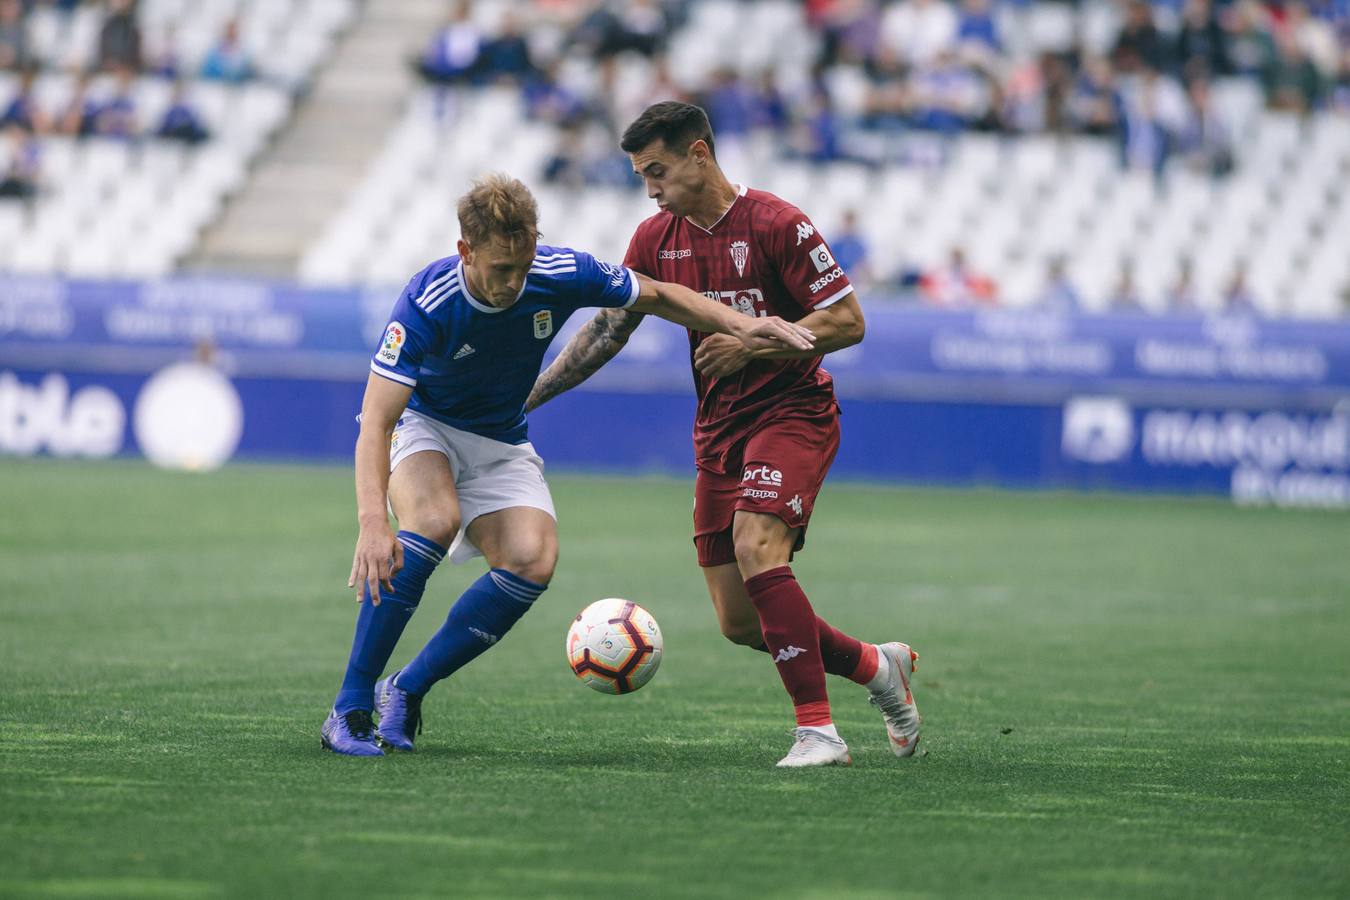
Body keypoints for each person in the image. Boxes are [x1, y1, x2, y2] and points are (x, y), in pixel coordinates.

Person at [321, 173, 816, 756]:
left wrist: (740, 324)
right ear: (465, 251)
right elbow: (376, 421)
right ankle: (349, 711)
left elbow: (656, 294)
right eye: (500, 268)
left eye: (523, 265)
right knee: (431, 521)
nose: (514, 282)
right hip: (423, 425)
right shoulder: (428, 301)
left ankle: (404, 689)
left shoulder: (557, 271)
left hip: (499, 437)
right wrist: (372, 523)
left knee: (532, 560)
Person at [527, 102, 921, 768]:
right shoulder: (654, 239)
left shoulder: (777, 224)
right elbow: (606, 331)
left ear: (699, 155)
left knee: (757, 545)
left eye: (658, 171)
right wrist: (527, 399)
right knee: (740, 622)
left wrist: (751, 347)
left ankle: (817, 732)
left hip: (792, 413)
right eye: (641, 176)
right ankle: (877, 668)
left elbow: (849, 322)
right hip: (718, 430)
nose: (650, 189)